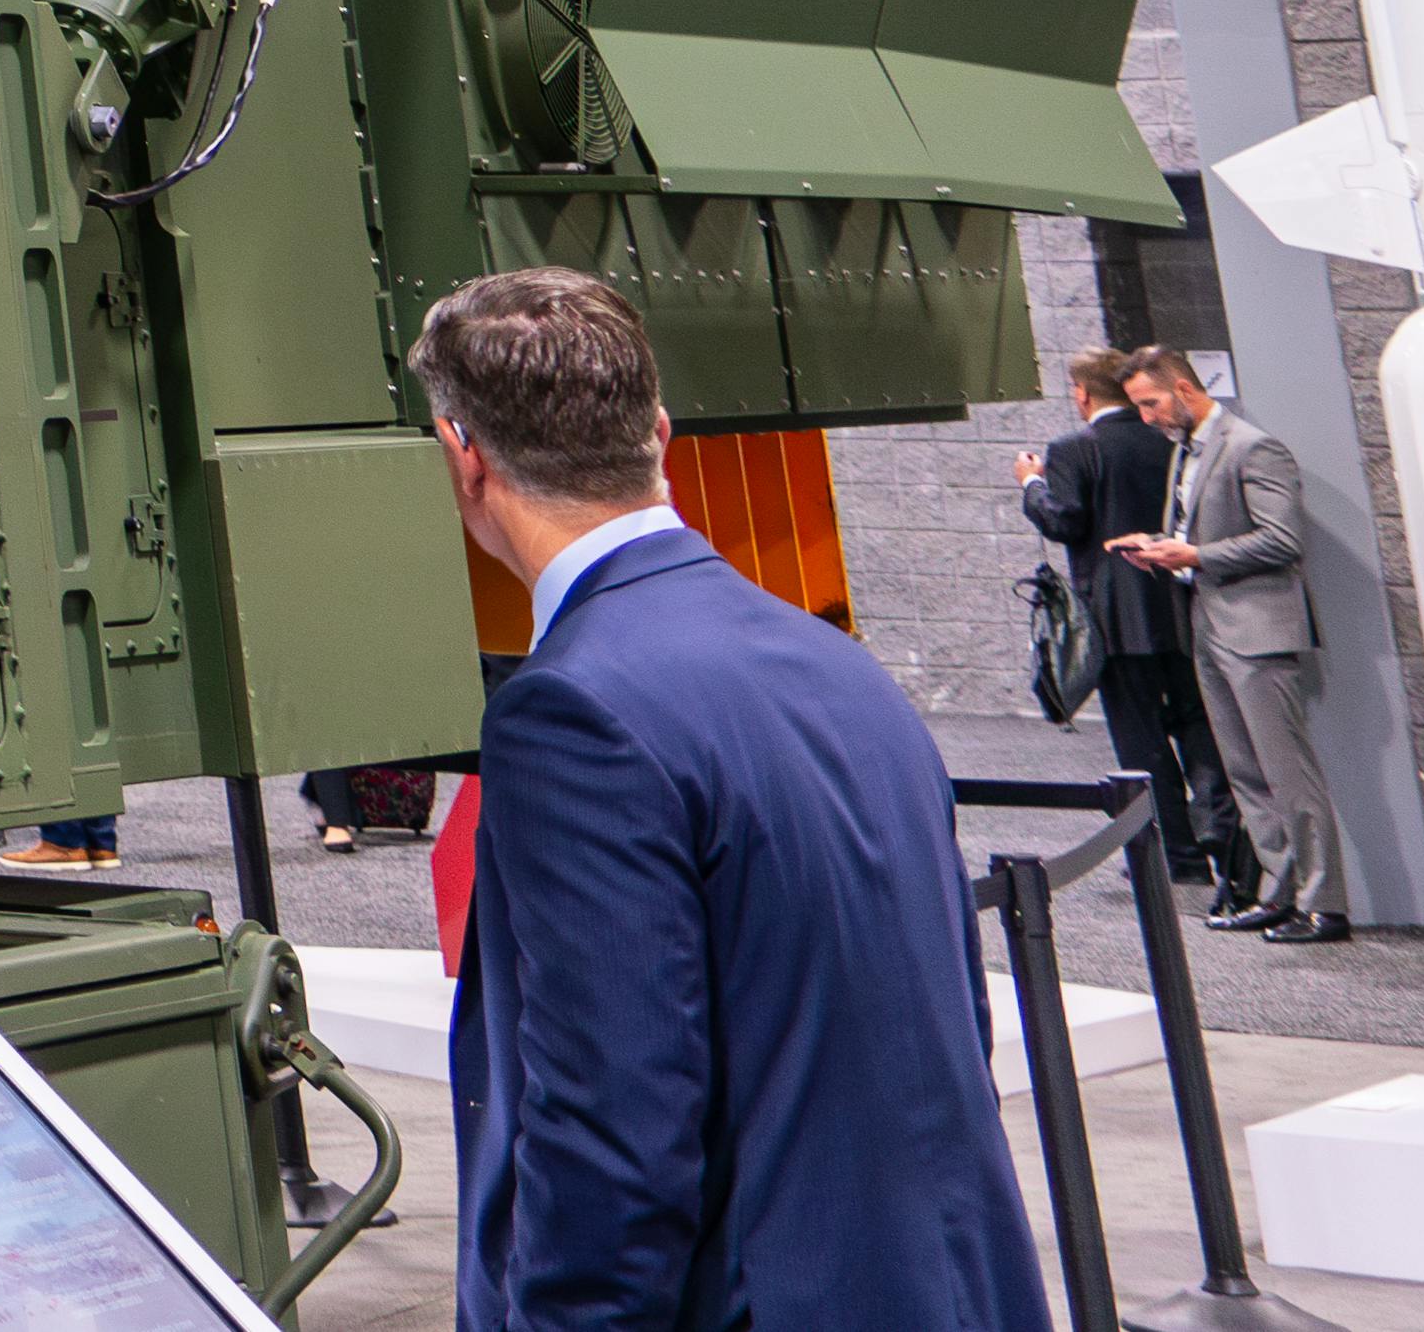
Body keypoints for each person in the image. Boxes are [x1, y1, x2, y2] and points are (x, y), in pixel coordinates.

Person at [429, 261, 1049, 1332]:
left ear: (461, 456)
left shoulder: (570, 709)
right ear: (658, 432)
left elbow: (610, 1128)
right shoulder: (836, 663)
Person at [1112, 352, 1353, 945]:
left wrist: (1195, 557)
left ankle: (1326, 905)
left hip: (1258, 630)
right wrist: (1160, 546)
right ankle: (1278, 893)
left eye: (1152, 403)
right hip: (1208, 625)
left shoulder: (1252, 446)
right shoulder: (1186, 450)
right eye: (1139, 405)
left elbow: (1281, 539)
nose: (1145, 417)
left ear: (1185, 389)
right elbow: (1204, 532)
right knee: (1245, 772)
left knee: (1286, 771)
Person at [1017, 345, 1249, 904]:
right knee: (1198, 725)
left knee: (1141, 742)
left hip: (1116, 619)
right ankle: (1220, 835)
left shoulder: (1072, 448)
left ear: (1081, 392)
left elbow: (1064, 521)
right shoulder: (1171, 440)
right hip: (1180, 603)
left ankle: (1181, 859)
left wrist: (1031, 484)